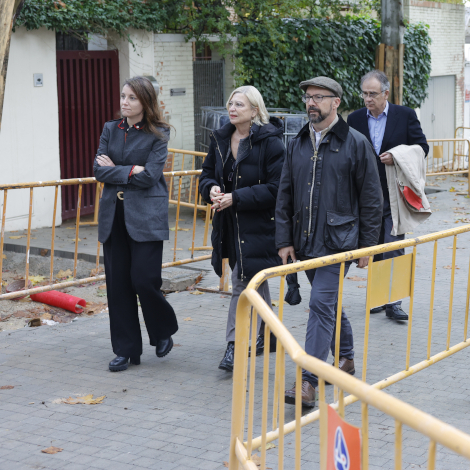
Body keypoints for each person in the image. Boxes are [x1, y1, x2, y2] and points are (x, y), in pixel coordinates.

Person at [276, 76, 383, 408]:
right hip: (304, 240)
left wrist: (367, 247)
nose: (311, 102)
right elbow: (284, 194)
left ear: (336, 102)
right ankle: (346, 358)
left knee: (320, 305)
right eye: (308, 97)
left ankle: (309, 379)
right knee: (329, 304)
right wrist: (284, 240)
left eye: (319, 97)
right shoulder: (297, 143)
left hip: (340, 242)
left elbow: (372, 199)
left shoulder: (356, 143)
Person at [94, 76, 178, 372]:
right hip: (113, 216)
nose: (124, 102)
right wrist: (131, 170)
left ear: (145, 101)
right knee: (118, 286)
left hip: (146, 217)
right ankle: (125, 350)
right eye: (123, 96)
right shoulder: (110, 129)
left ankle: (162, 329)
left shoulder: (159, 133)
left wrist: (117, 170)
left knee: (144, 280)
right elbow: (98, 171)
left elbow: (151, 177)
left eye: (131, 98)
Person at [199, 85, 285, 372]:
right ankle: (269, 334)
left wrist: (235, 198)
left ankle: (234, 345)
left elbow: (277, 189)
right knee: (254, 277)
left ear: (255, 111)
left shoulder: (271, 143)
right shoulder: (221, 139)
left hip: (260, 226)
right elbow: (207, 174)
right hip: (229, 225)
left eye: (239, 105)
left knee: (242, 280)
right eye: (230, 104)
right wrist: (211, 188)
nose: (232, 109)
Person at [347, 70, 429, 321]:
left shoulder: (405, 115)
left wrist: (397, 156)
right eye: (364, 94)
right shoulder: (355, 118)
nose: (368, 99)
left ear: (385, 93)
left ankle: (394, 302)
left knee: (393, 246)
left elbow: (422, 147)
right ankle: (378, 297)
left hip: (393, 194)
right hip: (364, 195)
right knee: (373, 246)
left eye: (373, 94)